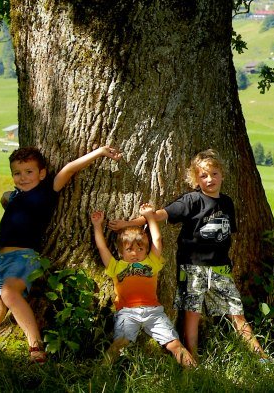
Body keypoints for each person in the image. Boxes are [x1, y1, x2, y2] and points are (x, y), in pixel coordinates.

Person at [111, 149, 265, 359]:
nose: (210, 179)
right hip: (193, 269)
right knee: (192, 316)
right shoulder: (192, 200)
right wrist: (129, 223)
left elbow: (227, 234)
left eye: (214, 174)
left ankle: (262, 357)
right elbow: (159, 215)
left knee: (237, 315)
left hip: (220, 268)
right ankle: (192, 360)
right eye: (203, 176)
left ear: (222, 175)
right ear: (196, 180)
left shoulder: (227, 203)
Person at [0, 145, 119, 363]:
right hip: (2, 261)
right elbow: (6, 198)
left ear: (42, 173)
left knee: (9, 294)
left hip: (24, 257)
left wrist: (100, 152)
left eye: (29, 172)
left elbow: (69, 169)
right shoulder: (15, 196)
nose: (23, 177)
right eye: (17, 173)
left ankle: (35, 346)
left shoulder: (45, 191)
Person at [91, 205, 196, 367]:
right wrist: (97, 225)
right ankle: (100, 376)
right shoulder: (115, 266)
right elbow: (101, 247)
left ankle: (195, 371)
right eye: (130, 249)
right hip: (127, 313)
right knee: (119, 345)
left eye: (140, 248)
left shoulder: (151, 262)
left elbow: (157, 240)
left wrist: (149, 216)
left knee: (174, 344)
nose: (135, 253)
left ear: (146, 250)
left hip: (154, 312)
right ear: (121, 252)